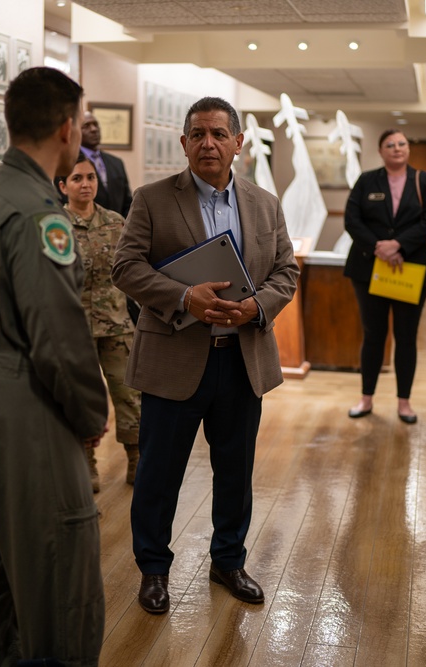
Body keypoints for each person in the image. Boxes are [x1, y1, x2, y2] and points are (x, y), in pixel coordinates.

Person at [111, 96, 299, 615]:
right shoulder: (152, 199)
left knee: (235, 471)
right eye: (197, 134)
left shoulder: (264, 204)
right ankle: (153, 570)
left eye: (218, 134)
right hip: (174, 358)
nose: (207, 143)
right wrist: (182, 297)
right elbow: (125, 267)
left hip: (242, 359)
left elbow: (286, 272)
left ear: (238, 143)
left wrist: (256, 308)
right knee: (158, 473)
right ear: (184, 143)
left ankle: (229, 561)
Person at [0, 67, 108, 667]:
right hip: (28, 407)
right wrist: (91, 414)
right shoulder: (41, 212)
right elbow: (58, 337)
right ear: (67, 128)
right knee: (60, 582)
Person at [343, 129, 426, 424]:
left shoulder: (424, 181)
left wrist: (399, 245)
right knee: (373, 335)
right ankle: (366, 398)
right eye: (390, 144)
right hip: (368, 268)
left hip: (410, 269)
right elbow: (352, 219)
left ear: (408, 149)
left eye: (401, 144)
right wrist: (378, 247)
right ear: (381, 151)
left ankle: (404, 403)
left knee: (406, 336)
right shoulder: (366, 181)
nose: (397, 148)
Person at [59, 153, 141, 492]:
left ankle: (137, 459)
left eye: (90, 178)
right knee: (79, 398)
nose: (85, 184)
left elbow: (133, 269)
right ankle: (86, 464)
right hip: (73, 327)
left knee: (129, 394)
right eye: (77, 178)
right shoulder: (54, 225)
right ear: (63, 185)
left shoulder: (115, 222)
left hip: (116, 323)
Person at [80, 111, 133, 218]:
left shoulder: (116, 163)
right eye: (86, 126)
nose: (94, 129)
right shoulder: (68, 164)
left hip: (118, 230)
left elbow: (128, 203)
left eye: (96, 124)